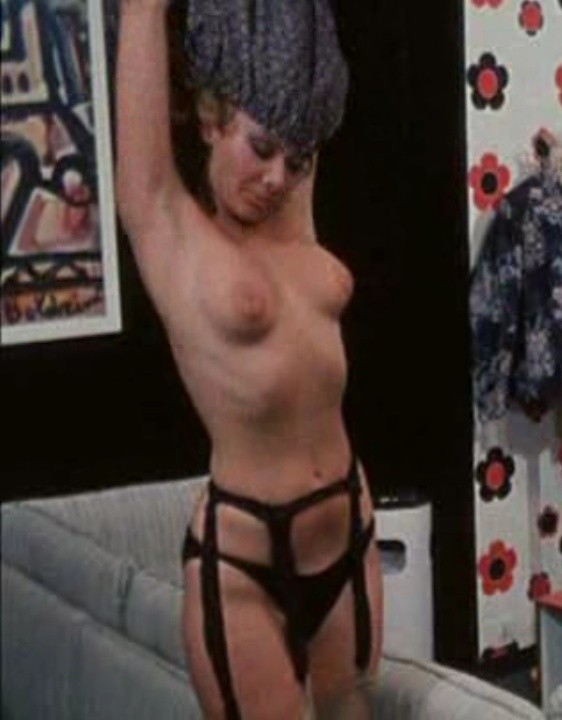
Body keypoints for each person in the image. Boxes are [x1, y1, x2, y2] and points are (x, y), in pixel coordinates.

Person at [114, 1, 382, 717]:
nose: (275, 178)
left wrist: (289, 141)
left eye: (295, 162)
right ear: (212, 119)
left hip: (347, 531)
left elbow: (301, 51)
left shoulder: (291, 216)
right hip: (243, 563)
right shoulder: (170, 229)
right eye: (259, 148)